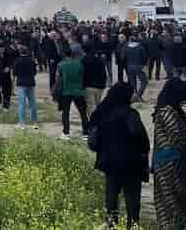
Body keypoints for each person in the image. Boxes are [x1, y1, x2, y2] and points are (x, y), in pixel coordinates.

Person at [89, 82, 150, 229]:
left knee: (111, 197)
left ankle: (111, 224)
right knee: (132, 199)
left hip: (110, 163)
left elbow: (93, 142)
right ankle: (133, 225)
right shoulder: (131, 114)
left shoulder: (103, 113)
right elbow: (142, 139)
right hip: (131, 164)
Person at [152, 77, 186, 229]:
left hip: (164, 162)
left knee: (166, 200)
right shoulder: (168, 112)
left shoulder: (165, 109)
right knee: (172, 201)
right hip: (171, 164)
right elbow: (176, 136)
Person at [57, 48, 89, 141]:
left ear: (64, 55)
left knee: (66, 112)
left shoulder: (61, 65)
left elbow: (58, 78)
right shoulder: (79, 64)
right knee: (83, 112)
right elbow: (83, 76)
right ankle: (85, 133)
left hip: (66, 91)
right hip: (78, 90)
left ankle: (66, 132)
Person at [14, 46, 38, 129]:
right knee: (33, 103)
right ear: (27, 52)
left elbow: (15, 73)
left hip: (21, 83)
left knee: (22, 104)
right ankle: (34, 123)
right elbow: (35, 72)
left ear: (20, 52)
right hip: (31, 82)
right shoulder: (32, 60)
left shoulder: (17, 61)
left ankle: (22, 123)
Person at [82, 42, 109, 118]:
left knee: (90, 106)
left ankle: (93, 122)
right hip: (100, 86)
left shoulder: (84, 60)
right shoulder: (100, 60)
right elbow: (104, 73)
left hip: (89, 86)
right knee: (98, 104)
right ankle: (100, 120)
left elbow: (83, 74)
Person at [124, 35, 148, 101]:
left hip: (129, 66)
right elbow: (145, 57)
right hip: (139, 66)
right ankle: (139, 95)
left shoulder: (127, 48)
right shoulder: (140, 47)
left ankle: (134, 95)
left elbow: (123, 57)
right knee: (144, 81)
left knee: (132, 82)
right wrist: (144, 64)